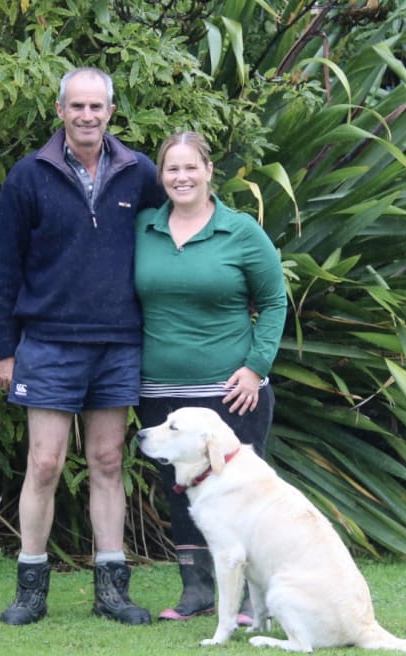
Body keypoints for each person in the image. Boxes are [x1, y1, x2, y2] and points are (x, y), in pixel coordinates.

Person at [0, 66, 166, 626]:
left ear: (112, 111)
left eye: (98, 107)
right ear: (60, 111)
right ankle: (30, 589)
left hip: (117, 343)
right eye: (77, 106)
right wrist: (4, 351)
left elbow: (175, 233)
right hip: (47, 343)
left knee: (109, 461)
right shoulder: (28, 175)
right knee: (44, 464)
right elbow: (1, 268)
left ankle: (112, 591)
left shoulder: (138, 173)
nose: (88, 116)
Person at [132, 131, 287, 622]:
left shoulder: (240, 230)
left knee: (241, 496)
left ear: (208, 170)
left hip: (231, 392)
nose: (181, 177)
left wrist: (256, 367)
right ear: (161, 177)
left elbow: (275, 299)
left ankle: (248, 600)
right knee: (180, 490)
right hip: (160, 391)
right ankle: (196, 591)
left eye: (189, 167)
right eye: (171, 169)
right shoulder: (143, 228)